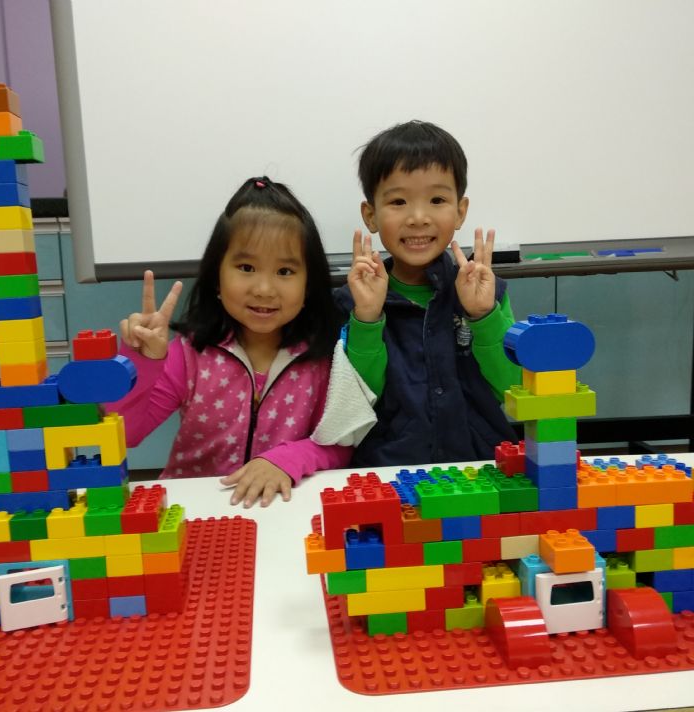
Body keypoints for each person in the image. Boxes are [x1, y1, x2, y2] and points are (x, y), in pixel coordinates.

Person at [108, 177, 351, 507]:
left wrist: (287, 459)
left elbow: (339, 443)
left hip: (282, 509)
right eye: (247, 267)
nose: (264, 289)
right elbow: (126, 435)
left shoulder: (323, 357)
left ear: (309, 284)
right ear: (216, 278)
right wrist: (141, 363)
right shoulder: (189, 353)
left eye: (285, 272)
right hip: (191, 511)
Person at [337, 120, 521, 467]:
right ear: (370, 215)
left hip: (481, 470)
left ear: (460, 211)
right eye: (398, 201)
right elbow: (354, 407)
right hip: (387, 474)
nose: (418, 218)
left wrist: (483, 317)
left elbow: (514, 392)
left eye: (437, 200)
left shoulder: (485, 293)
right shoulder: (353, 301)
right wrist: (367, 320)